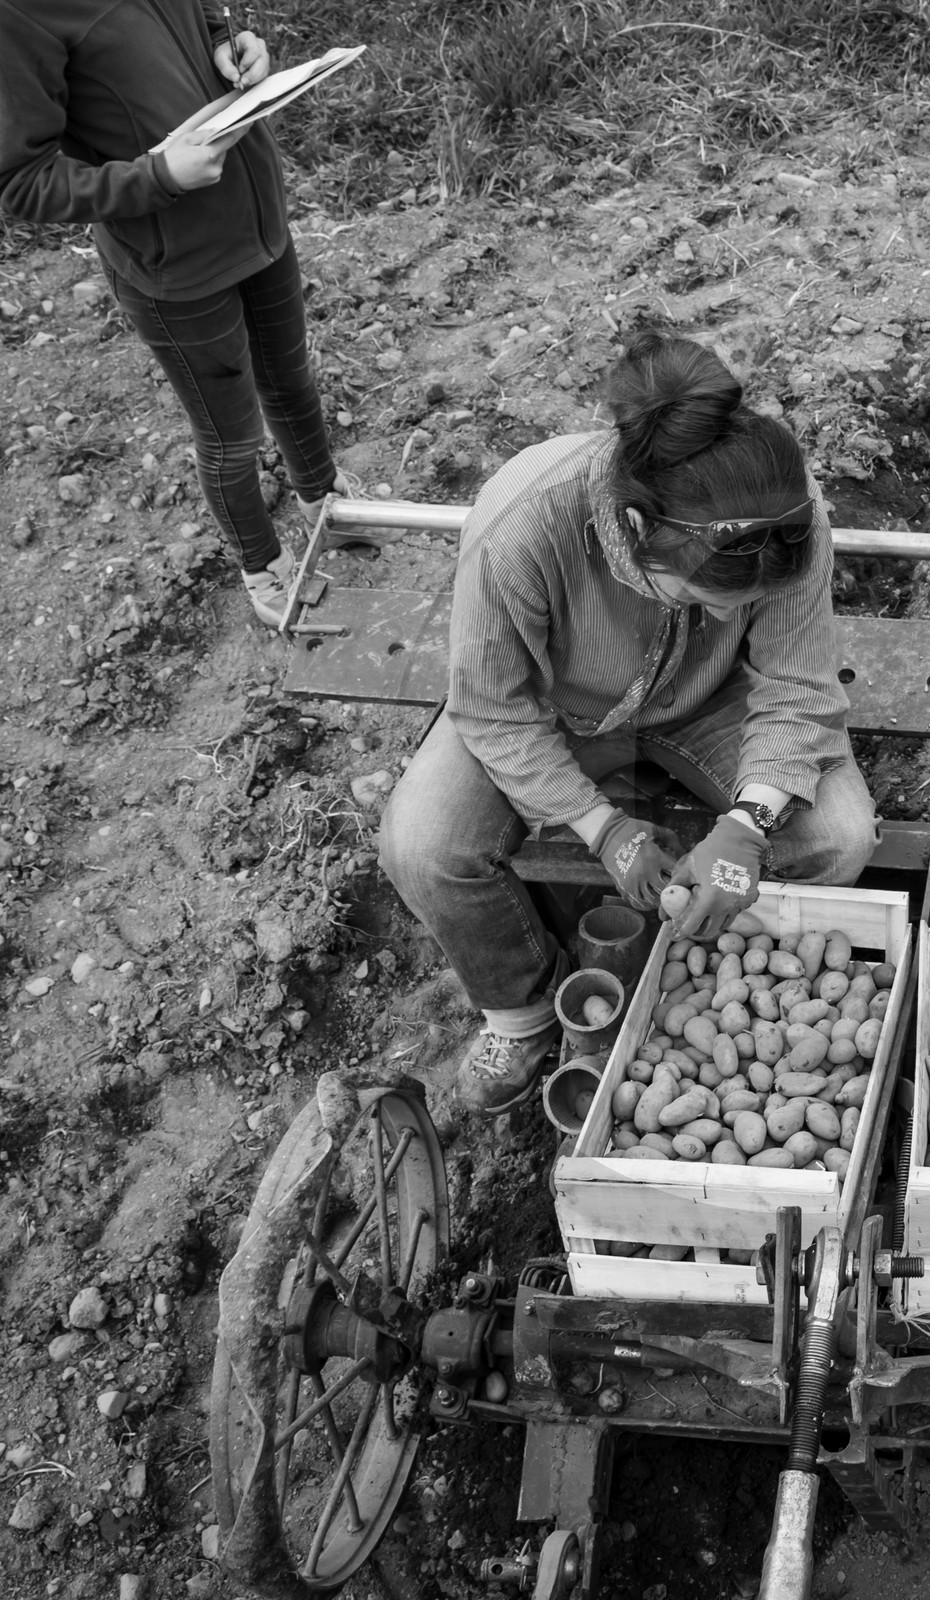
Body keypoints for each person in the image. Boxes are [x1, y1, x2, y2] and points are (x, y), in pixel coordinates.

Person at [380, 332, 880, 1115]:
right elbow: (493, 708)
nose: (733, 614)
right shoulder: (523, 522)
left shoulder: (784, 517)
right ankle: (524, 1010)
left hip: (714, 701)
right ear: (640, 532)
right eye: (709, 602)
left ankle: (719, 982)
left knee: (837, 836)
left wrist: (748, 824)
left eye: (745, 607)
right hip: (553, 711)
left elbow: (795, 683)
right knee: (423, 844)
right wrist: (602, 828)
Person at [0, 0, 354, 626]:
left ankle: (326, 501)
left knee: (291, 378)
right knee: (231, 436)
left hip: (256, 222)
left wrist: (228, 40)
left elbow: (194, 20)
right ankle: (262, 564)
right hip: (173, 267)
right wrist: (158, 176)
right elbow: (22, 182)